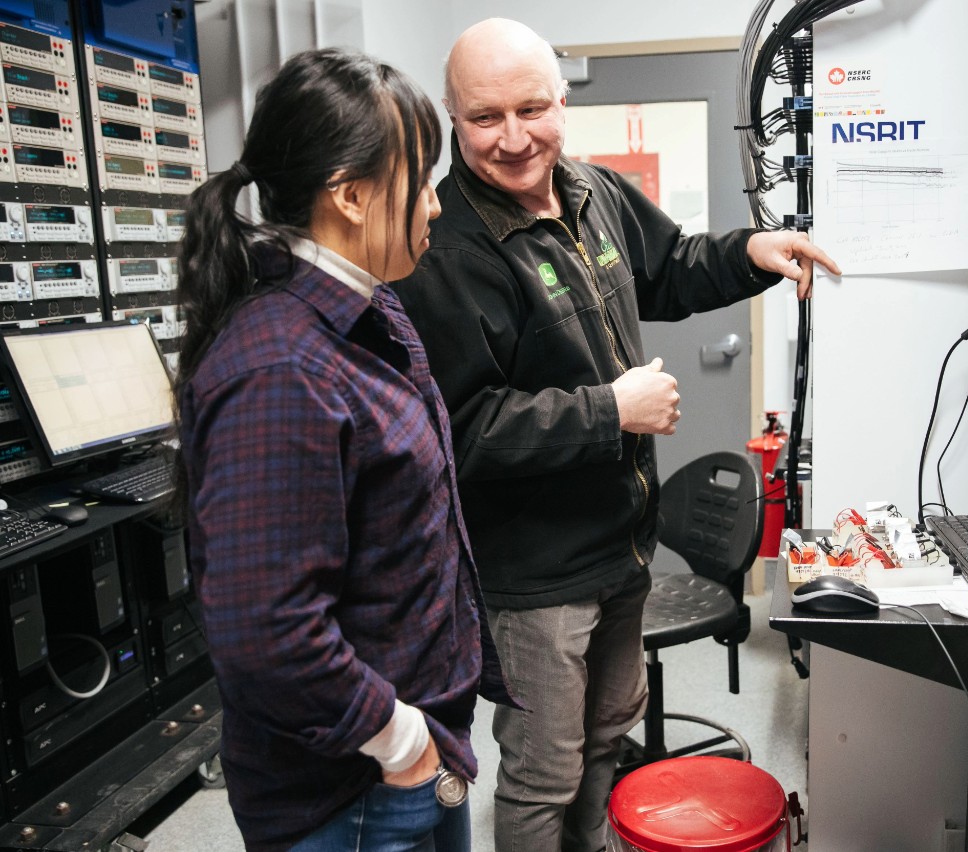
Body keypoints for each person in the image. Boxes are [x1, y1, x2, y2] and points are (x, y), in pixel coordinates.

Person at [392, 18, 841, 852]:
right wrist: (612, 410)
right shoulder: (445, 249)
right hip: (536, 575)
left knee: (609, 735)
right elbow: (463, 431)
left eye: (533, 108)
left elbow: (671, 265)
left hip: (620, 546)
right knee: (543, 771)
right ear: (454, 119)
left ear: (563, 100)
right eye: (486, 118)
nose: (515, 137)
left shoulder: (592, 192)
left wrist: (752, 250)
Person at [174, 47, 511, 852]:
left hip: (412, 749)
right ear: (353, 195)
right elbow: (267, 631)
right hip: (356, 790)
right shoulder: (282, 368)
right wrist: (401, 743)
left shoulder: (370, 313)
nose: (435, 205)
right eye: (420, 181)